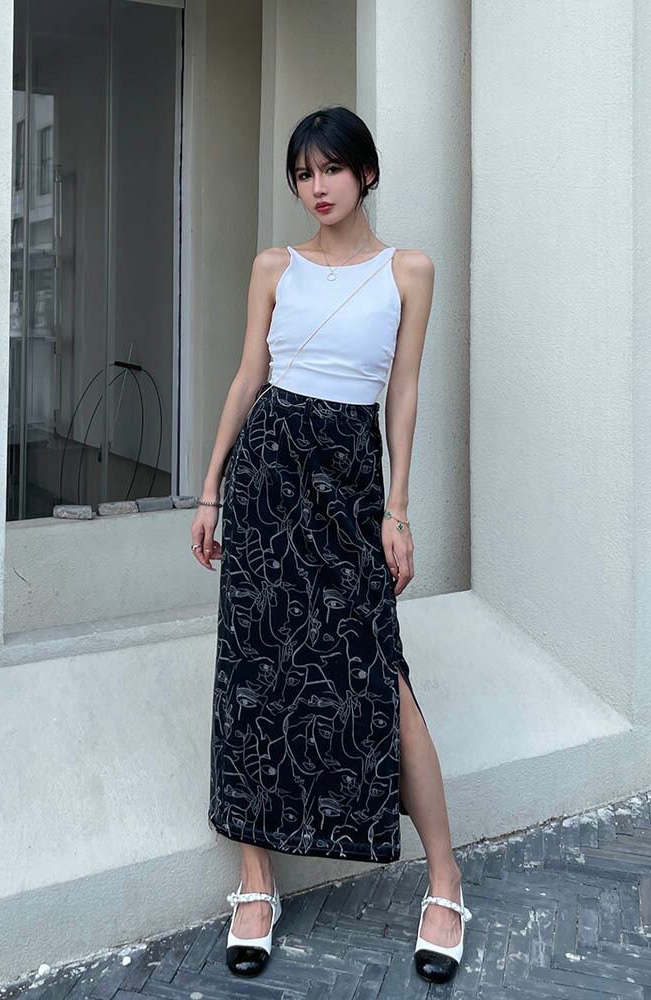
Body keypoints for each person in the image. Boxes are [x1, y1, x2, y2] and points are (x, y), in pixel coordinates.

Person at [190, 106, 471, 985]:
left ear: (366, 173)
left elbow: (404, 391)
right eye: (303, 174)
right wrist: (211, 488)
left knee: (380, 674)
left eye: (331, 170)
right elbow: (250, 375)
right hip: (267, 477)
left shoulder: (408, 270)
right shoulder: (274, 266)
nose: (317, 187)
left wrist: (397, 508)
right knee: (253, 670)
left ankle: (445, 880)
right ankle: (255, 881)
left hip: (349, 481)